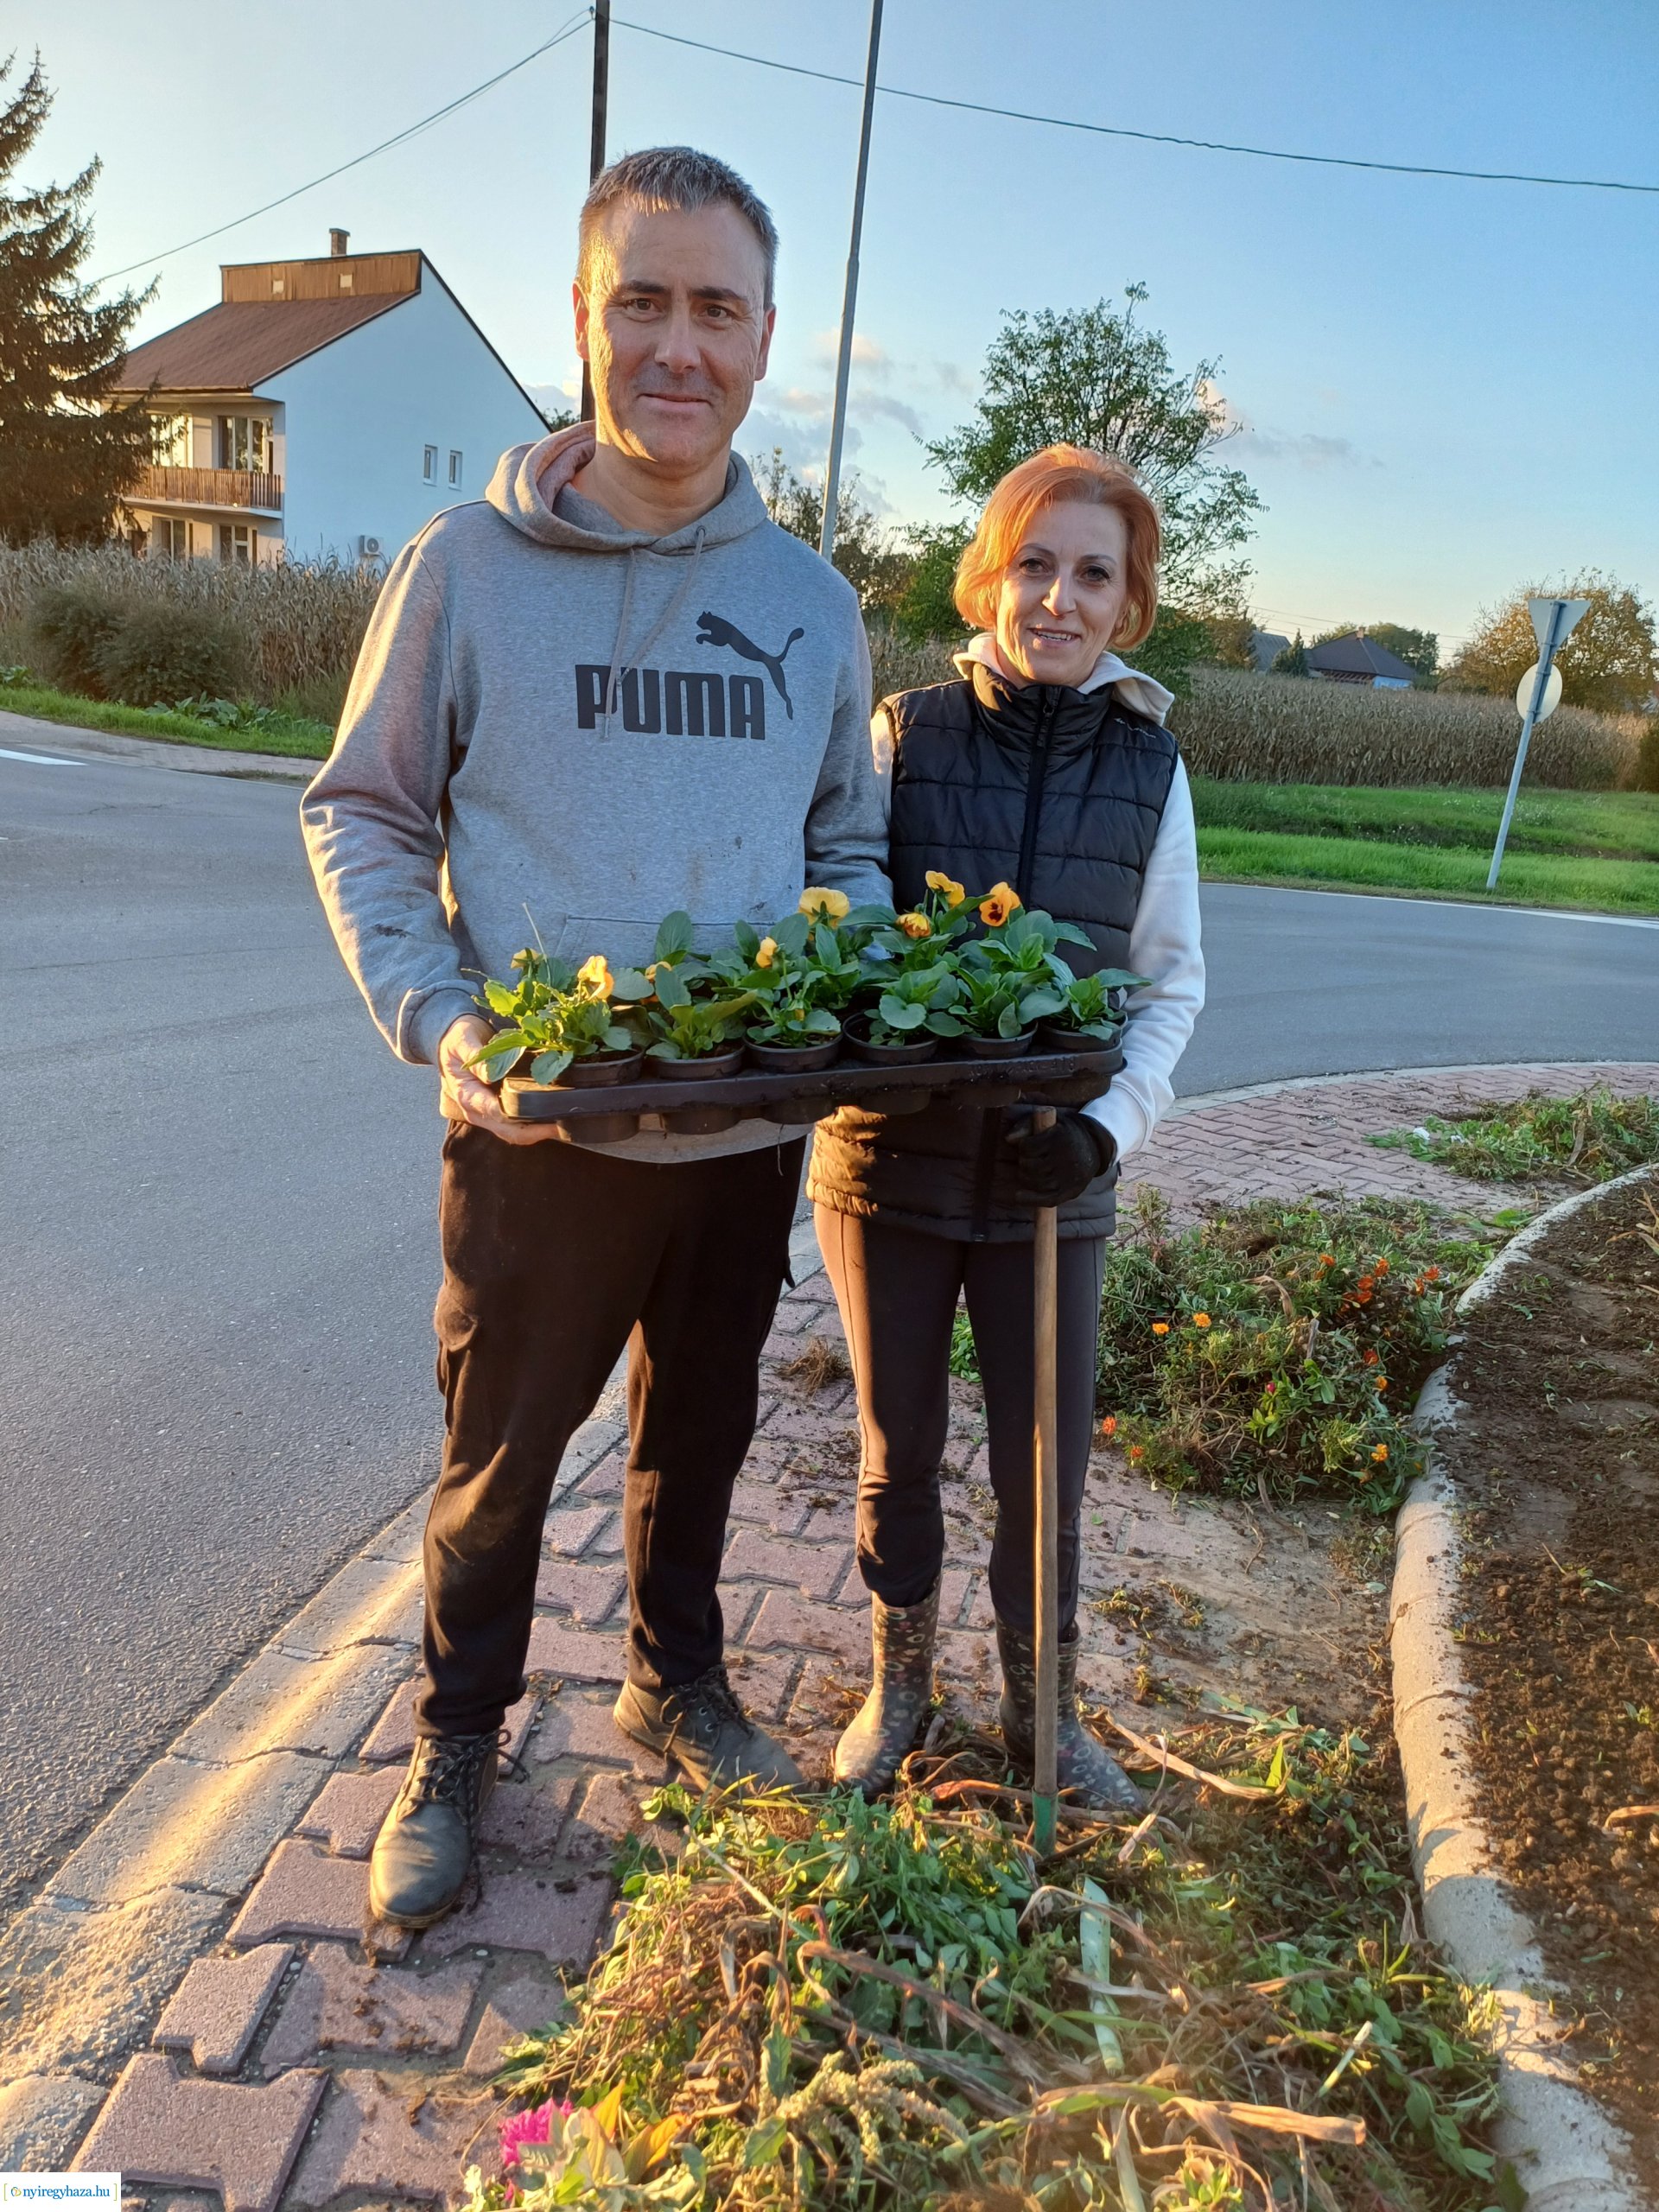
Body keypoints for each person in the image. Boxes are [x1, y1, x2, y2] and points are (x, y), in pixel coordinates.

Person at [302, 147, 889, 1928]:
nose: (678, 345)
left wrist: (825, 960)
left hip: (740, 1137)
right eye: (643, 299)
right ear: (584, 317)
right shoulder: (467, 565)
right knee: (499, 1461)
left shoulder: (813, 604)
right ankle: (459, 1734)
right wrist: (444, 1014)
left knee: (693, 1438)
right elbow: (365, 813)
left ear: (766, 335)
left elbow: (846, 842)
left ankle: (675, 1678)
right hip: (542, 1137)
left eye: (717, 306)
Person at [807, 444, 1205, 1805]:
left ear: (1128, 601)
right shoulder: (905, 734)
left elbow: (1170, 982)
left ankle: (1046, 1715)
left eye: (1093, 572)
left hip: (1056, 1184)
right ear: (991, 574)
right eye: (1033, 563)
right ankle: (899, 1686)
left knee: (1047, 1462)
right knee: (896, 1448)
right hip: (886, 1168)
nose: (1058, 598)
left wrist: (1105, 1131)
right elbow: (840, 933)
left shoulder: (1155, 770)